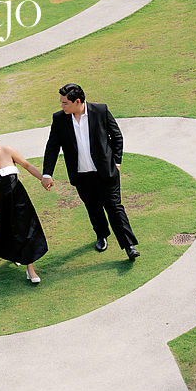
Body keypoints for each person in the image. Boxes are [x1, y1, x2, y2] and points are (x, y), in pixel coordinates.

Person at [42, 83, 140, 260]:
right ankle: (102, 235)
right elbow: (52, 147)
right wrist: (47, 173)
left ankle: (129, 245)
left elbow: (117, 136)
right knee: (93, 208)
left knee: (114, 208)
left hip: (106, 173)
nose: (62, 106)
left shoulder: (100, 111)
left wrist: (116, 162)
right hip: (81, 176)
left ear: (77, 101)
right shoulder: (59, 119)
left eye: (65, 103)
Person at [0, 128, 49, 284]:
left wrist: (42, 178)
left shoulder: (8, 150)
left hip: (18, 198)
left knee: (25, 230)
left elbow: (27, 165)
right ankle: (15, 255)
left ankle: (30, 270)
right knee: (4, 232)